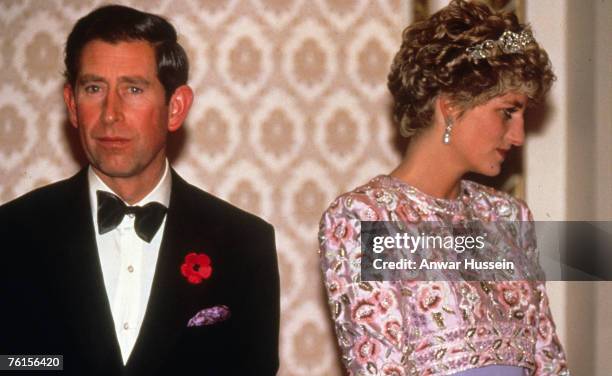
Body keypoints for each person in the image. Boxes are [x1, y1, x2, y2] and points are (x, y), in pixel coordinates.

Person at [0, 5, 279, 375]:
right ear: (72, 104)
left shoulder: (244, 244)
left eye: (133, 89)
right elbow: (11, 364)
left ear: (175, 108)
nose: (110, 113)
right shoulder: (12, 233)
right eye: (94, 88)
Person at [318, 1, 569, 375]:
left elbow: (548, 364)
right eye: (507, 111)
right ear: (451, 106)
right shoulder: (365, 218)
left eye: (522, 115)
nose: (518, 136)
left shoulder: (507, 216)